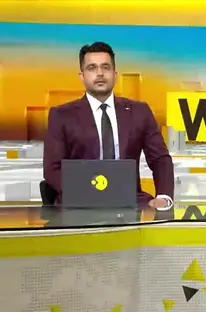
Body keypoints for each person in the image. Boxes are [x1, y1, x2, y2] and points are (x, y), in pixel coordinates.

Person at [43, 42, 174, 209]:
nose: (100, 73)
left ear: (115, 74)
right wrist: (86, 195)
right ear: (82, 76)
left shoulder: (139, 112)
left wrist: (163, 196)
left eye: (105, 67)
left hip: (129, 201)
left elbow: (160, 159)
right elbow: (52, 168)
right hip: (79, 202)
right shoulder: (62, 115)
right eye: (92, 68)